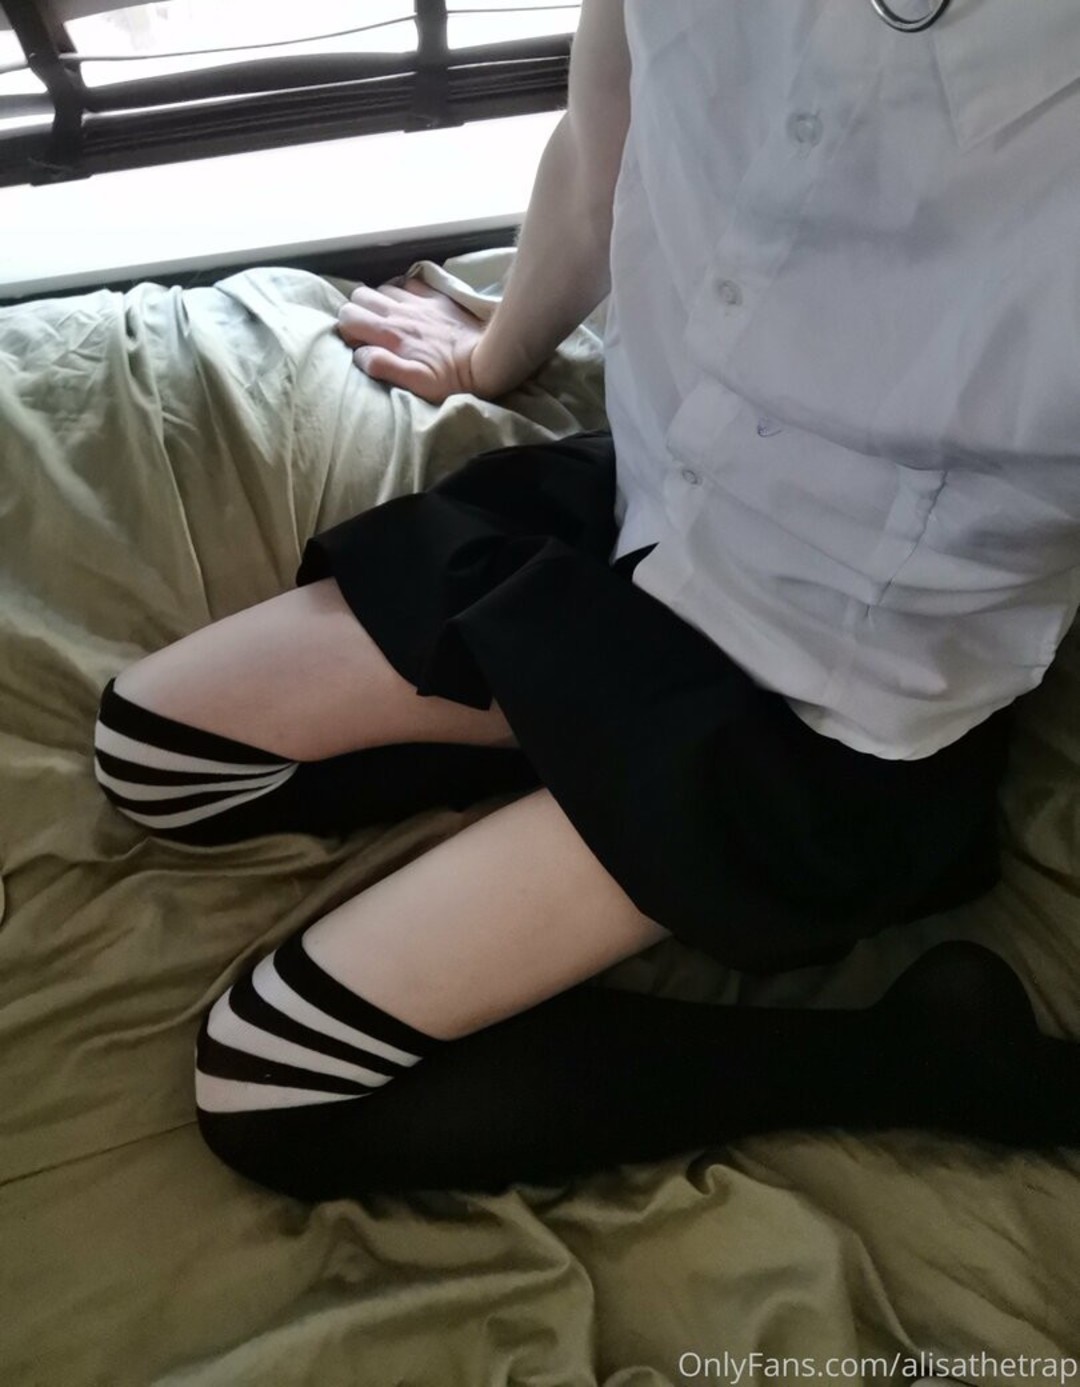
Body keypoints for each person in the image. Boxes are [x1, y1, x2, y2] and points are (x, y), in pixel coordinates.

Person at [92, 0, 1080, 1200]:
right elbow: (602, 138)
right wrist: (485, 358)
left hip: (827, 689)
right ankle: (583, 757)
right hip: (644, 519)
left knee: (268, 1082)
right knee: (150, 751)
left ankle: (917, 1060)